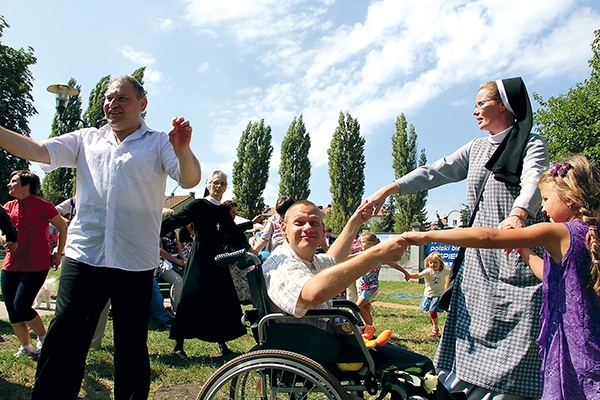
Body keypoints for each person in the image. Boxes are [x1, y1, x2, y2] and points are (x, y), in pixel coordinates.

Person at [0, 74, 201, 399]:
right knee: (63, 343)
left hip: (134, 262)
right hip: (85, 257)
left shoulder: (159, 143)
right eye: (109, 98)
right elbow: (37, 150)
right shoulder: (86, 139)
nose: (113, 103)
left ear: (142, 103)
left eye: (122, 98)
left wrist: (183, 150)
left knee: (131, 348)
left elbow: (190, 179)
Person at [360, 77, 549, 398]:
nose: (474, 111)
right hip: (476, 262)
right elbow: (435, 170)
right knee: (469, 333)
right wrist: (387, 189)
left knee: (517, 335)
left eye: (481, 103)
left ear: (503, 105)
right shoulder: (476, 149)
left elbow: (534, 179)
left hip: (514, 255)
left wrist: (518, 214)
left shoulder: (531, 144)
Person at [400, 155, 600, 399]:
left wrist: (429, 237)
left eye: (546, 199)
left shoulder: (558, 232)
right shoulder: (591, 233)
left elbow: (490, 238)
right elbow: (548, 275)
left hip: (571, 338)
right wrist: (525, 251)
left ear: (570, 199)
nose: (544, 209)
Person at [262, 200, 455, 398]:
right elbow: (313, 293)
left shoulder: (309, 259)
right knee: (419, 366)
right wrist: (376, 254)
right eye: (300, 222)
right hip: (314, 351)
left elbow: (334, 260)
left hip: (325, 343)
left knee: (411, 363)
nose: (308, 228)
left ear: (322, 230)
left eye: (314, 223)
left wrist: (355, 222)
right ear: (284, 229)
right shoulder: (281, 263)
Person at [161, 171, 249, 359]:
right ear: (208, 185)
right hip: (200, 257)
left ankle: (223, 343)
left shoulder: (223, 211)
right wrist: (152, 229)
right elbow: (176, 220)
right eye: (216, 183)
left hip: (218, 260)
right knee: (190, 297)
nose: (219, 186)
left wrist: (245, 246)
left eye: (223, 184)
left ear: (226, 187)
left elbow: (233, 233)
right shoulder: (198, 205)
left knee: (220, 299)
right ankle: (178, 345)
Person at [1, 171, 67, 357]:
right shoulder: (8, 207)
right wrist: (6, 240)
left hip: (36, 264)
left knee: (22, 306)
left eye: (13, 181)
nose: (9, 184)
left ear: (26, 185)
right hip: (11, 264)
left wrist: (58, 252)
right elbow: (2, 230)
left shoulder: (43, 206)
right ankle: (25, 347)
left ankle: (44, 338)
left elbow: (62, 227)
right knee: (12, 310)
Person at [347, 232, 404, 326]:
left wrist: (405, 273)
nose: (360, 245)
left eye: (362, 243)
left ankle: (357, 326)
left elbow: (393, 264)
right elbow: (348, 258)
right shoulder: (361, 254)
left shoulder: (379, 255)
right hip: (362, 286)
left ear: (370, 244)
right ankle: (370, 328)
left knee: (357, 307)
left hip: (371, 287)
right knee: (365, 308)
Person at [398, 252, 450, 337]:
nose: (433, 264)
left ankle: (435, 328)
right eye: (431, 262)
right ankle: (433, 325)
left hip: (438, 295)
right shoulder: (428, 271)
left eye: (435, 262)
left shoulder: (444, 271)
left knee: (433, 312)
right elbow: (418, 275)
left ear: (440, 263)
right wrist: (409, 276)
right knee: (431, 312)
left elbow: (451, 274)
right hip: (428, 295)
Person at [158, 208, 185, 313]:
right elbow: (161, 251)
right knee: (178, 281)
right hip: (164, 263)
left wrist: (183, 259)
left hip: (175, 260)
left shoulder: (174, 233)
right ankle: (175, 310)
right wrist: (176, 261)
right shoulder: (159, 232)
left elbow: (179, 249)